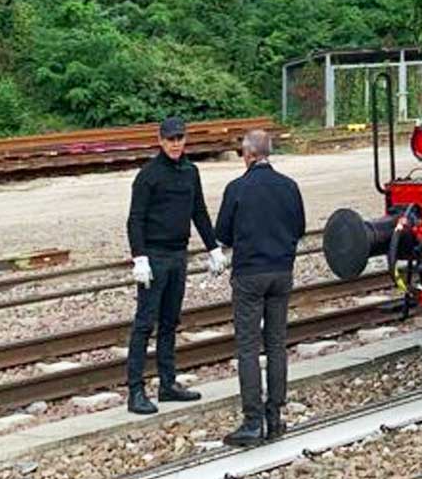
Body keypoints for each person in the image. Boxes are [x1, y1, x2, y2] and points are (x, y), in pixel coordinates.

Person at [125, 116, 229, 415]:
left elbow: (199, 211)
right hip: (154, 256)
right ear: (160, 140)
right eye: (170, 139)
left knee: (170, 321)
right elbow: (135, 219)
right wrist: (139, 257)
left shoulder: (190, 172)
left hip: (178, 254)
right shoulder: (148, 175)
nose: (175, 144)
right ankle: (135, 391)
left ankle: (167, 384)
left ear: (185, 139)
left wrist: (213, 248)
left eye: (179, 138)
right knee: (145, 323)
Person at [215, 129, 306, 446]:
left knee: (249, 347)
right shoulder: (289, 187)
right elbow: (300, 228)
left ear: (250, 154)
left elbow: (222, 234)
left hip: (250, 275)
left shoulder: (237, 189)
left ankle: (252, 422)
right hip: (282, 272)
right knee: (277, 343)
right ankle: (275, 417)